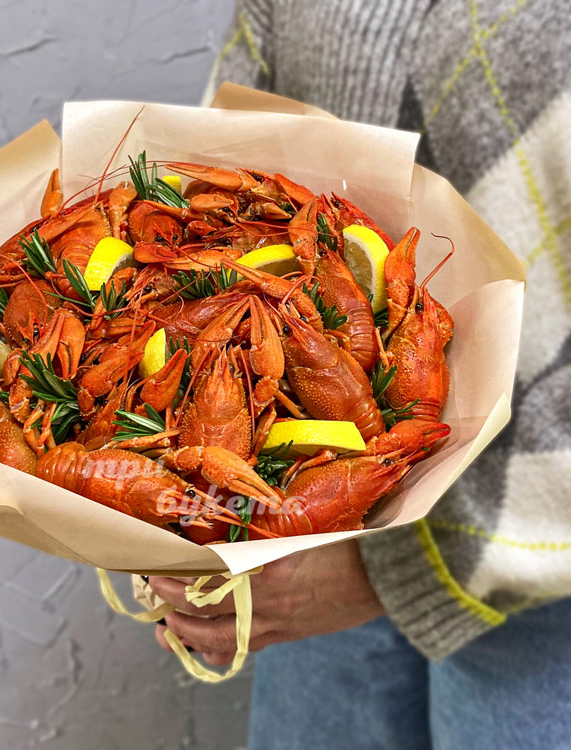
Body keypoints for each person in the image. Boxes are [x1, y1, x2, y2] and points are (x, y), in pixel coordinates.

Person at [150, 1, 571, 747]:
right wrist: (179, 509)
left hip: (543, 572)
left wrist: (389, 571)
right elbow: (233, 139)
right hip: (305, 537)